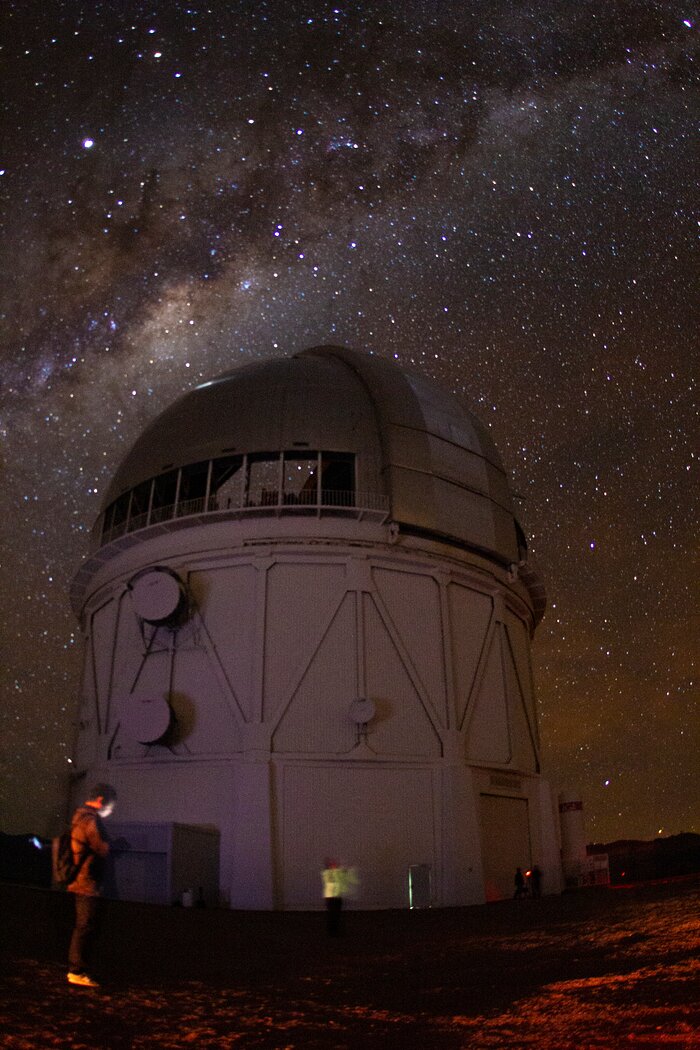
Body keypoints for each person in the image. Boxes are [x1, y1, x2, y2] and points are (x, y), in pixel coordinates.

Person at [66, 783, 117, 987]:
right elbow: (101, 848)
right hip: (88, 882)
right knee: (85, 926)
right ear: (100, 800)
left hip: (80, 880)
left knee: (83, 926)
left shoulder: (79, 816)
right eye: (110, 806)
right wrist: (113, 845)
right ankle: (77, 971)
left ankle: (77, 969)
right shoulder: (91, 820)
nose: (110, 810)